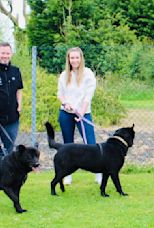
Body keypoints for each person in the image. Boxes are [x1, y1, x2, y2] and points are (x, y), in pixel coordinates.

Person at [57, 47, 101, 185]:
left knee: (91, 144)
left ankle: (98, 173)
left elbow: (88, 96)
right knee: (68, 145)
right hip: (66, 114)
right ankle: (67, 174)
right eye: (72, 58)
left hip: (84, 113)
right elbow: (60, 93)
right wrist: (65, 103)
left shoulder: (88, 74)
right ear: (68, 59)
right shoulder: (64, 75)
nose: (74, 60)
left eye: (77, 57)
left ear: (81, 58)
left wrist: (81, 113)